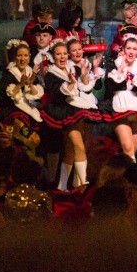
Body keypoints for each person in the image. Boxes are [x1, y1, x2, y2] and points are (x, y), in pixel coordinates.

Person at [40, 39, 102, 190]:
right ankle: (83, 185)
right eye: (58, 54)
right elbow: (57, 94)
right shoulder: (51, 74)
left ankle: (62, 187)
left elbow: (85, 88)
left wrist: (85, 74)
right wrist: (71, 83)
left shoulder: (72, 69)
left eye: (64, 54)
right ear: (53, 56)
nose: (62, 57)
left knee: (70, 150)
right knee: (79, 146)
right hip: (63, 111)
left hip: (74, 109)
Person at [102, 32, 137, 161]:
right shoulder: (114, 65)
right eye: (128, 48)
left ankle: (125, 173)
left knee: (132, 151)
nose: (131, 52)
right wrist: (120, 70)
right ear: (123, 49)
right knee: (128, 148)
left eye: (134, 49)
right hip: (120, 107)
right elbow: (109, 88)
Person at [0, 39, 43, 128]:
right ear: (15, 57)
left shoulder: (30, 71)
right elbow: (4, 95)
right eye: (19, 56)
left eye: (25, 55)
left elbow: (35, 94)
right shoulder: (9, 73)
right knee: (20, 119)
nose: (22, 59)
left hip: (28, 106)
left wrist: (30, 84)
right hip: (12, 107)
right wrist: (20, 85)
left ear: (29, 56)